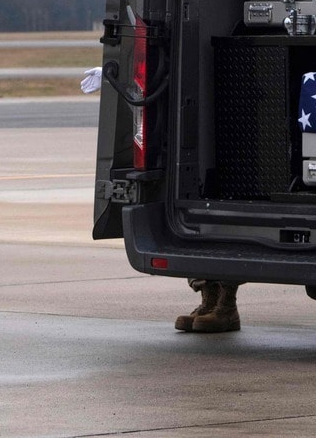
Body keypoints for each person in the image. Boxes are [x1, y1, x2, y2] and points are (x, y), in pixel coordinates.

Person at [79, 67, 242, 332]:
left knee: (218, 219)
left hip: (217, 118)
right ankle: (208, 299)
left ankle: (226, 304)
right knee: (189, 221)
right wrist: (120, 72)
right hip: (182, 119)